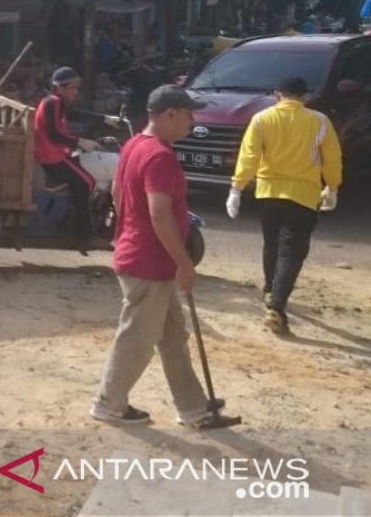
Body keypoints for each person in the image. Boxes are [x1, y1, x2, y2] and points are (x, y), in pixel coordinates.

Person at [91, 85, 233, 429]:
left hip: (146, 257)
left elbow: (117, 193)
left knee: (173, 337)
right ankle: (109, 404)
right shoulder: (158, 156)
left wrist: (126, 232)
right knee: (137, 338)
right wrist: (185, 263)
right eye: (188, 114)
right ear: (170, 114)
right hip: (149, 262)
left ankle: (194, 408)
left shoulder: (134, 145)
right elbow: (159, 214)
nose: (192, 121)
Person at [227, 76, 342, 335]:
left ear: (278, 94)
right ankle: (277, 307)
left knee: (273, 244)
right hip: (303, 195)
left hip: (268, 193)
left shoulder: (261, 119)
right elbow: (332, 158)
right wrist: (332, 186)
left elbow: (249, 156)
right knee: (292, 251)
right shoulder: (319, 121)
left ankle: (270, 291)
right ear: (305, 97)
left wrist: (237, 187)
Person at [33, 67, 119, 247]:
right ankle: (84, 235)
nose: (76, 92)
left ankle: (75, 220)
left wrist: (103, 118)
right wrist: (80, 142)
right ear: (61, 87)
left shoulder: (56, 103)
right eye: (73, 88)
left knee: (86, 180)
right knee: (87, 183)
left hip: (57, 154)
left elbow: (75, 114)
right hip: (53, 158)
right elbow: (54, 133)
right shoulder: (53, 102)